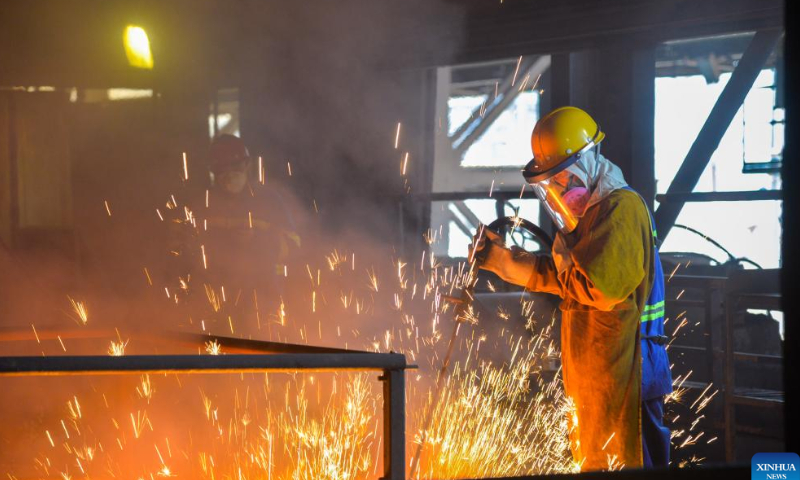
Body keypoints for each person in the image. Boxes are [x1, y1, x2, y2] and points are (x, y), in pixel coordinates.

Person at [473, 107, 672, 470]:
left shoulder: (621, 207)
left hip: (629, 371)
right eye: (552, 183)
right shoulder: (592, 212)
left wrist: (555, 258)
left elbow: (599, 287)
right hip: (599, 375)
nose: (562, 190)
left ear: (589, 160)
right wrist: (506, 262)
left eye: (564, 178)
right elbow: (571, 279)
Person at [168, 134, 300, 323]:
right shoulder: (200, 205)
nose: (229, 174)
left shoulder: (269, 201)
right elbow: (179, 251)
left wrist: (257, 241)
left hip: (264, 301)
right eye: (222, 169)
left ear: (247, 165)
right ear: (213, 171)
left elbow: (294, 245)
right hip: (214, 305)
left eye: (235, 167)